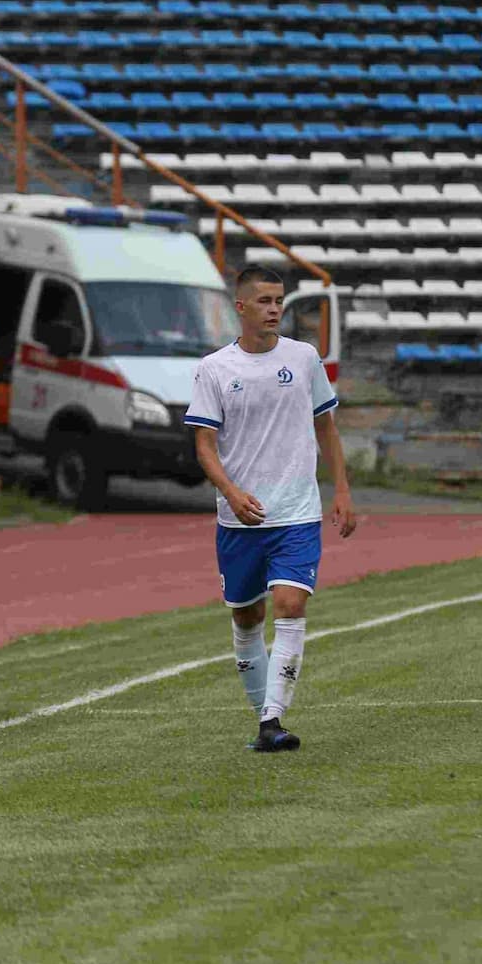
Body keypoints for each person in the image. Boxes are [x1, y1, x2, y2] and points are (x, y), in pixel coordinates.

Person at [185, 266, 358, 753]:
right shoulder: (214, 368)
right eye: (264, 301)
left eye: (279, 300)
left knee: (291, 603)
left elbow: (327, 428)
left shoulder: (304, 359)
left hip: (297, 512)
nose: (275, 309)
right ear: (241, 307)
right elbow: (204, 445)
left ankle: (272, 722)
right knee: (246, 619)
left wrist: (341, 489)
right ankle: (264, 716)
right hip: (240, 519)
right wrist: (232, 494)